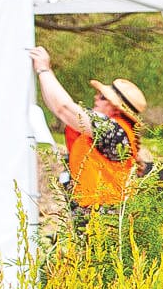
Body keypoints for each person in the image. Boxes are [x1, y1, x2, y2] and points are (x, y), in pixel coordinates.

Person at [27, 46, 148, 209]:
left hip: (103, 221)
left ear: (116, 108)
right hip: (96, 217)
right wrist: (43, 73)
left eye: (103, 97)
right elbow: (58, 108)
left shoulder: (113, 131)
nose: (96, 97)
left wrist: (44, 69)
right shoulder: (116, 131)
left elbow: (63, 108)